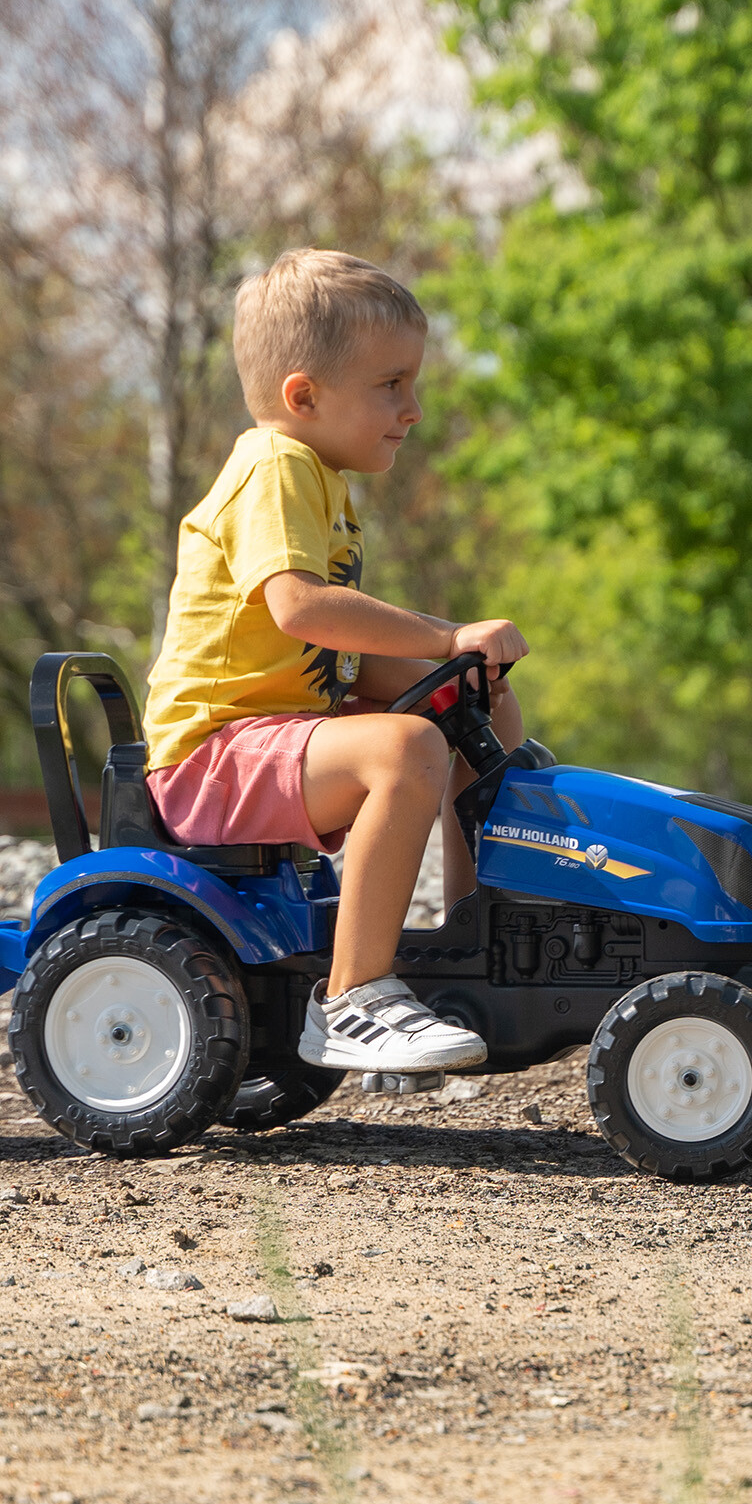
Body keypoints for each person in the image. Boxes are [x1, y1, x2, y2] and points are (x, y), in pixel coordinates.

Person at [142, 247, 527, 1073]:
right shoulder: (275, 466)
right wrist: (443, 635)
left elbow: (324, 649)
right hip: (214, 752)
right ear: (303, 395)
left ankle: (476, 934)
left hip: (280, 731)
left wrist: (458, 667)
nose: (414, 408)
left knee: (479, 700)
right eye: (392, 384)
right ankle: (353, 997)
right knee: (409, 745)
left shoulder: (322, 478)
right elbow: (301, 608)